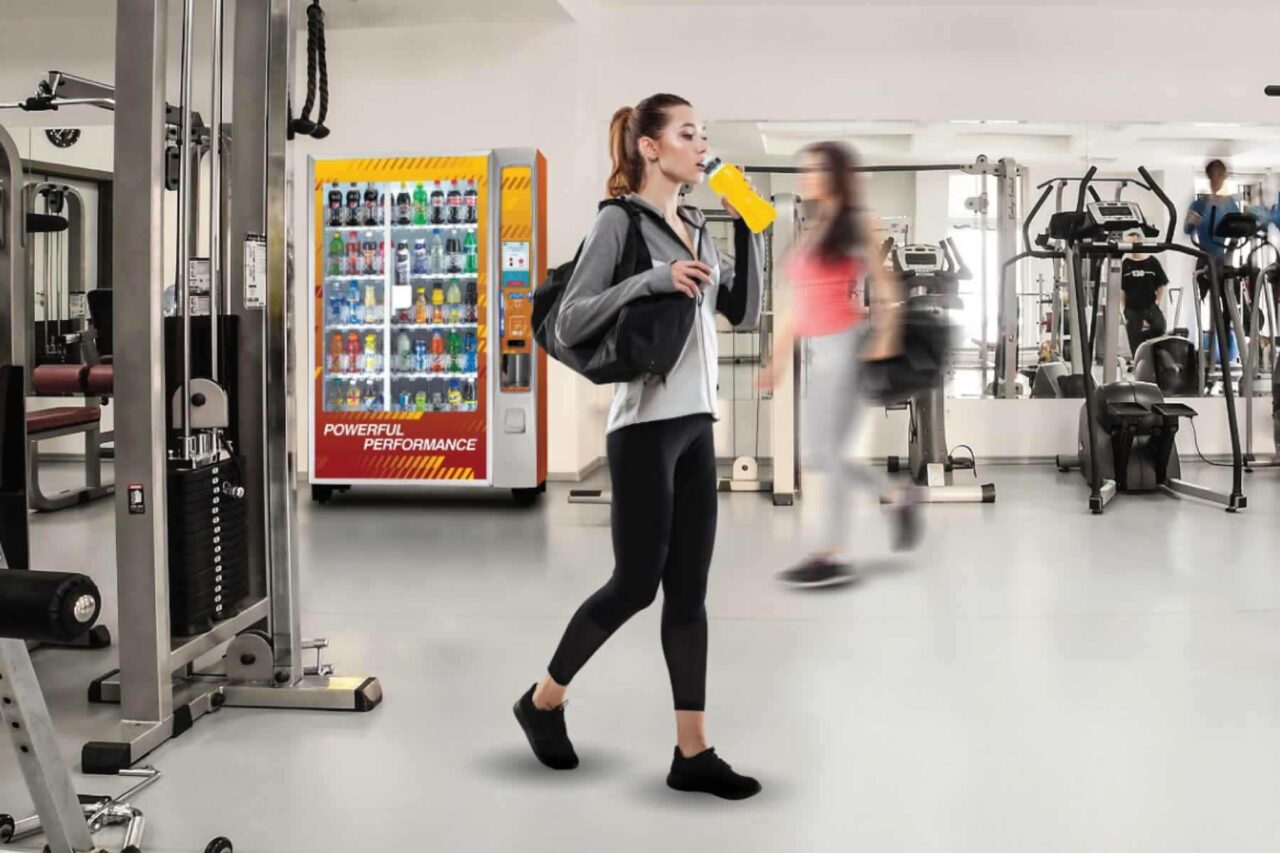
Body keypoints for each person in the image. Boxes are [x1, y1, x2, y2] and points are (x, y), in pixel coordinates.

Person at [512, 94, 764, 800]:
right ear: (651, 147)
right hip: (644, 426)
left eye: (703, 134)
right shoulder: (618, 221)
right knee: (635, 584)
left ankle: (693, 752)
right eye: (688, 133)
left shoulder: (699, 225)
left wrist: (751, 226)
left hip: (697, 424)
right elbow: (570, 317)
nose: (700, 143)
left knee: (689, 592)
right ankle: (542, 701)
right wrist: (654, 276)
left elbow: (742, 312)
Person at [761, 141, 918, 590]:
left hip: (842, 349)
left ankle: (831, 554)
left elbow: (887, 288)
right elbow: (795, 304)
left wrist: (884, 337)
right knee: (821, 454)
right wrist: (777, 358)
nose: (806, 176)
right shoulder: (814, 227)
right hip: (817, 351)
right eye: (806, 168)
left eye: (814, 169)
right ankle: (894, 498)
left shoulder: (855, 223)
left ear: (834, 175)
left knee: (824, 456)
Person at [1119, 230, 1169, 353]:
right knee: (1134, 333)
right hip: (1132, 307)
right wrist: (1122, 309)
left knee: (1159, 326)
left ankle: (1152, 352)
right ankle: (1138, 360)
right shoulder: (1126, 264)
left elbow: (1162, 284)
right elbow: (1122, 290)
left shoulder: (1152, 262)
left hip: (1150, 305)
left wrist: (1157, 302)